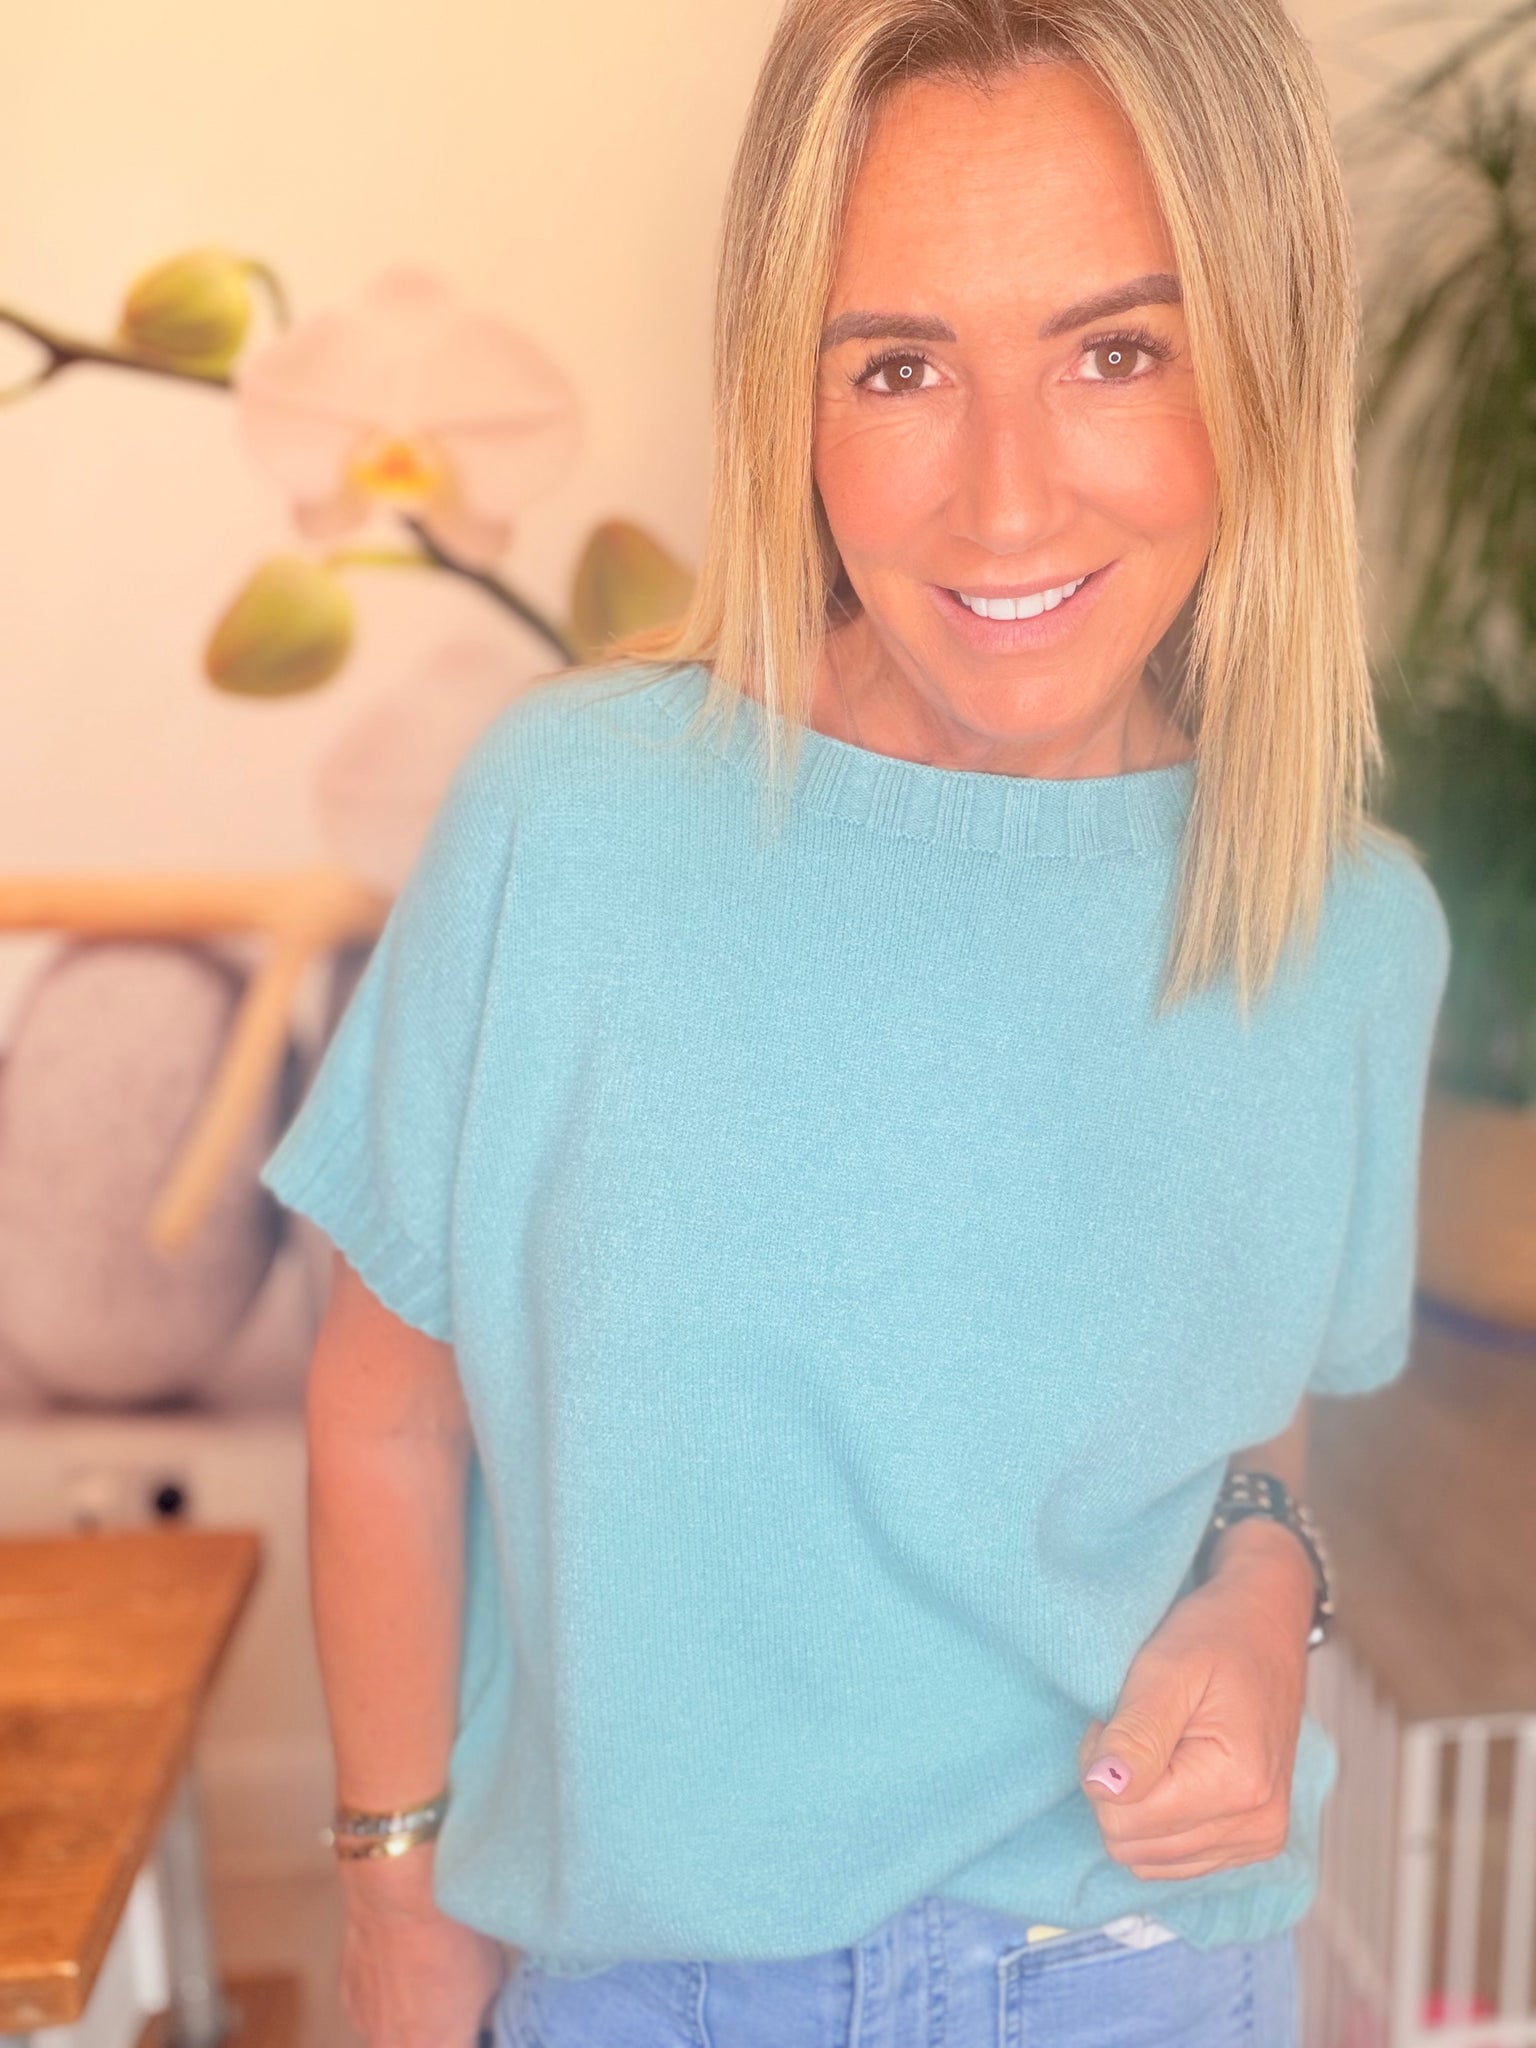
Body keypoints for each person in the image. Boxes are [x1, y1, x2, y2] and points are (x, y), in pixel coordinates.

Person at [258, 1, 1451, 2043]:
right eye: (899, 366)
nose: (1006, 502)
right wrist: (395, 1899)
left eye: (1117, 351)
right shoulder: (574, 827)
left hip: (1143, 1978)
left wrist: (1265, 1599)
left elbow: (1240, 1422)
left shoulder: (1345, 931)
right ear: (786, 400)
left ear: (1264, 362)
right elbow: (386, 1412)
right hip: (648, 1991)